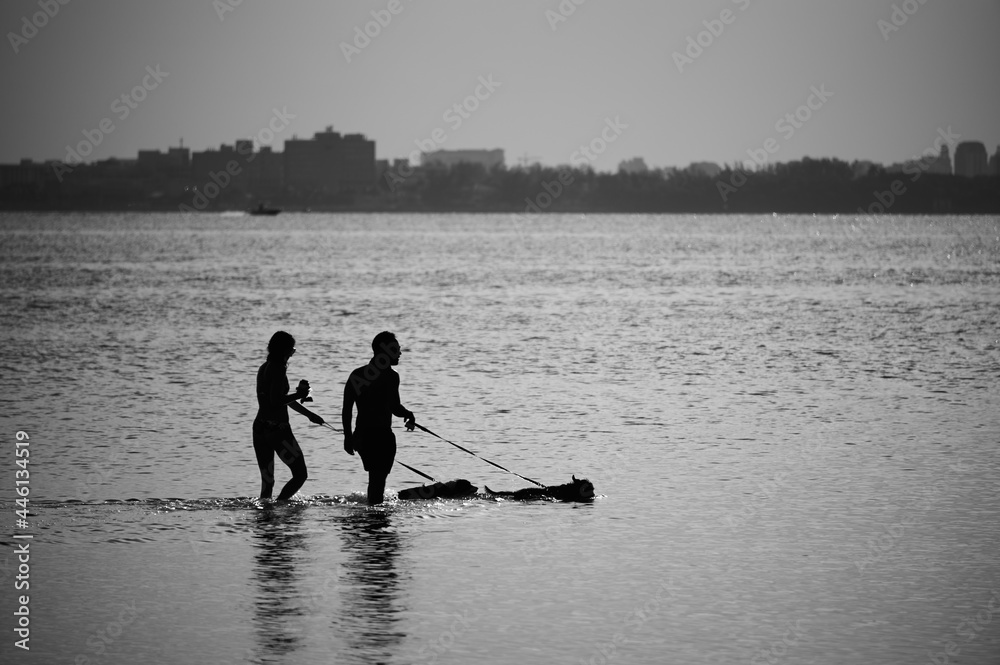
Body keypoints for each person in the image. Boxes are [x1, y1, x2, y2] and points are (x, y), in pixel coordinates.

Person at [342, 331, 416, 505]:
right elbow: (395, 408)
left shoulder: (357, 374)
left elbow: (347, 409)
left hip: (361, 437)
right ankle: (375, 521)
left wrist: (348, 436)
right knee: (377, 481)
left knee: (375, 479)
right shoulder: (391, 376)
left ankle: (373, 519)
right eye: (396, 349)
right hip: (381, 436)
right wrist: (409, 414)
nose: (400, 353)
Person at [253, 331, 325, 501]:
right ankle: (280, 505)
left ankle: (265, 518)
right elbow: (276, 401)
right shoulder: (278, 369)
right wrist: (300, 394)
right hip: (278, 431)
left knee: (267, 481)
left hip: (260, 428)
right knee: (300, 474)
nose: (293, 353)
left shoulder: (264, 367)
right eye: (292, 349)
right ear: (284, 350)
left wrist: (309, 415)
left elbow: (280, 399)